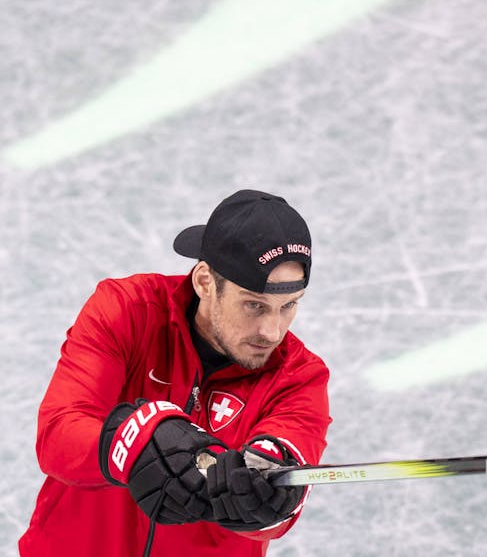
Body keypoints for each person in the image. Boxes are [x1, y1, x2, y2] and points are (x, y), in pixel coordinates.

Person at [19, 189, 333, 557]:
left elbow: (283, 490)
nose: (272, 331)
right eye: (254, 305)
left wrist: (265, 497)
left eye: (289, 306)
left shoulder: (300, 376)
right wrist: (140, 443)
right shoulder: (127, 310)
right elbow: (58, 435)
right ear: (204, 282)